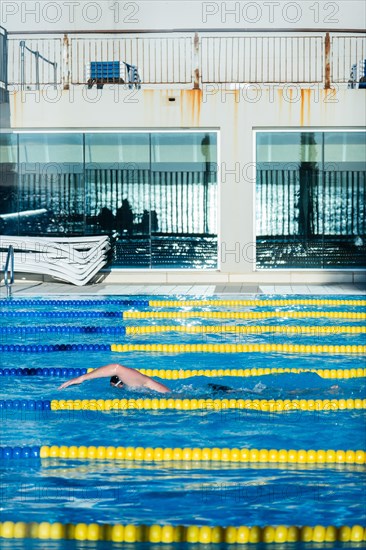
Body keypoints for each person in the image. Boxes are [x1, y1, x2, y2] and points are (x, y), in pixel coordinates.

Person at [58, 363, 170, 394]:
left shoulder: (137, 382)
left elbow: (116, 368)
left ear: (120, 384)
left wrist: (81, 378)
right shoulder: (138, 386)